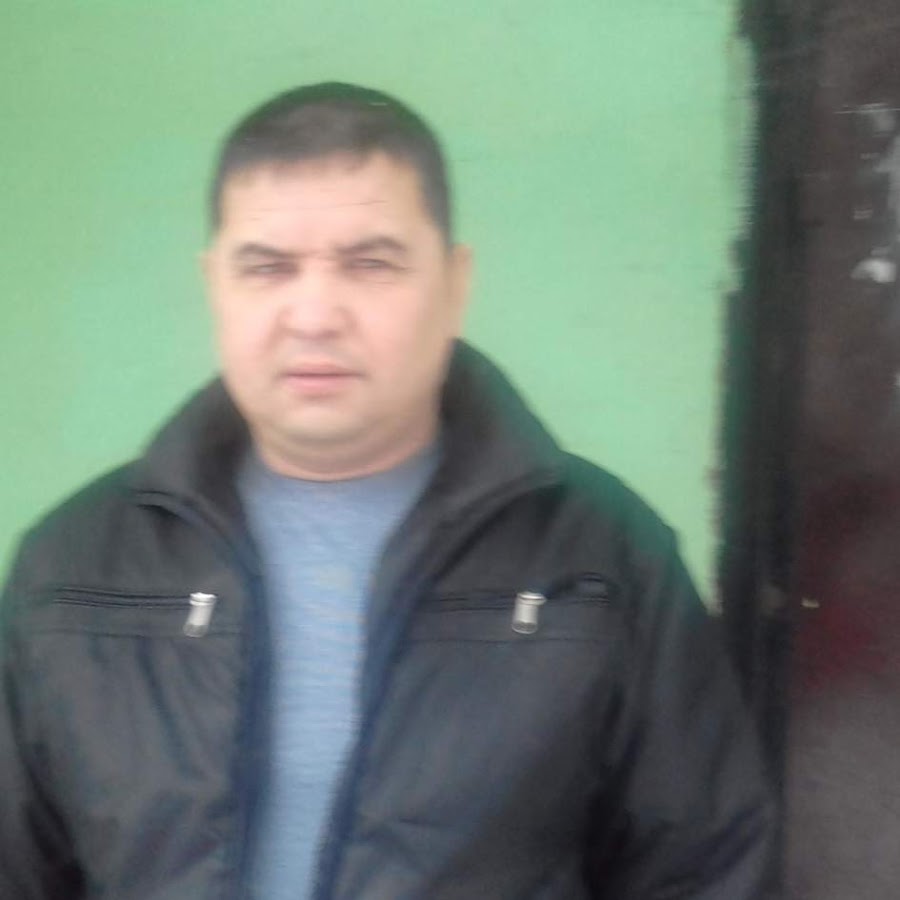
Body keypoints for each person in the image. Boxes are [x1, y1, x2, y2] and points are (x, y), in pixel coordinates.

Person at [0, 82, 774, 899]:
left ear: (455, 285)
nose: (314, 315)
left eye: (370, 264)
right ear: (213, 285)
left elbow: (704, 870)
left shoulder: (601, 557)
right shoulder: (73, 565)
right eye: (267, 268)